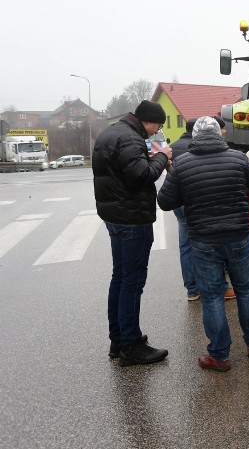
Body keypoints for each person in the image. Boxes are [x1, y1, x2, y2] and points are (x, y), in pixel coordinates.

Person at [157, 117, 249, 372]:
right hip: (238, 235)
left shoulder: (182, 164)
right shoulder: (238, 158)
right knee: (247, 291)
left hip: (203, 240)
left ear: (195, 136)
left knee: (211, 297)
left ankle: (219, 356)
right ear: (219, 135)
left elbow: (164, 201)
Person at [93, 100, 172, 366]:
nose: (156, 131)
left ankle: (118, 339)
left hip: (115, 216)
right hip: (132, 219)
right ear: (149, 121)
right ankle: (130, 345)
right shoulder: (131, 139)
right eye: (157, 126)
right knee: (132, 282)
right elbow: (142, 176)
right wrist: (163, 156)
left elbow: (123, 171)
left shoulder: (110, 133)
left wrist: (148, 158)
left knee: (120, 277)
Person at [170, 117, 235, 301]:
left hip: (178, 202)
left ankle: (192, 289)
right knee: (208, 242)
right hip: (198, 200)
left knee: (185, 245)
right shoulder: (201, 148)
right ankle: (219, 287)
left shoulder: (173, 147)